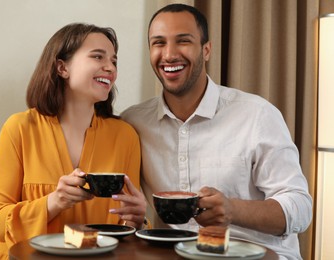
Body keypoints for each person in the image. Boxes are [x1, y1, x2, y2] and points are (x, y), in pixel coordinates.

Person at [121, 4, 312, 260]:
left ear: (207, 50)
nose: (169, 54)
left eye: (183, 41)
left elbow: (301, 209)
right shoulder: (133, 122)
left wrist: (233, 210)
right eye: (158, 43)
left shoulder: (257, 114)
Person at [0, 23, 146, 259]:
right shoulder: (19, 129)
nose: (110, 67)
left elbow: (127, 228)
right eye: (98, 56)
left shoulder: (125, 136)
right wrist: (54, 202)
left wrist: (139, 219)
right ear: (62, 67)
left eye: (114, 61)